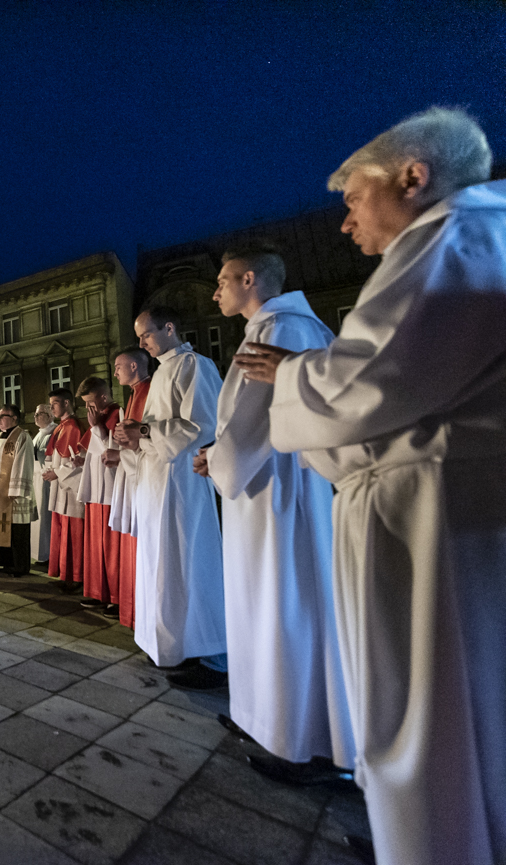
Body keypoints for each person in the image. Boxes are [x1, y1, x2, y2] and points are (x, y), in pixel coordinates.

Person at [232, 108, 505, 865]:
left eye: (354, 197)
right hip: (428, 503)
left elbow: (371, 380)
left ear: (413, 176)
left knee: (432, 711)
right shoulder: (465, 238)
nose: (346, 221)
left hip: (436, 515)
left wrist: (293, 377)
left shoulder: (455, 240)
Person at [195, 241, 354, 783]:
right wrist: (217, 453)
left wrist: (219, 457)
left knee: (286, 604)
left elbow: (259, 418)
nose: (215, 292)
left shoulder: (284, 328)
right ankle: (263, 716)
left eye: (222, 281)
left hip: (282, 489)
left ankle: (306, 741)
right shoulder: (267, 329)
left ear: (251, 280)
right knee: (260, 605)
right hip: (258, 487)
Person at [116, 306, 225, 672]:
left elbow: (203, 425)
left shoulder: (195, 365)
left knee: (186, 562)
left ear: (169, 328)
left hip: (182, 482)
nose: (142, 342)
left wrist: (145, 431)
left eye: (146, 334)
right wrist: (134, 439)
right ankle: (166, 643)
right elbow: (153, 431)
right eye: (139, 337)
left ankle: (203, 650)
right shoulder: (164, 371)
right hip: (156, 481)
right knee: (158, 564)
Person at [106, 348, 152, 629]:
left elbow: (145, 442)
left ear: (134, 366)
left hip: (144, 479)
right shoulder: (135, 393)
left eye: (118, 367)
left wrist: (121, 454)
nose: (115, 373)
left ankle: (139, 610)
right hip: (132, 475)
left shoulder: (148, 392)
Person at [76, 377, 122, 612]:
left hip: (110, 492)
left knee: (112, 549)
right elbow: (93, 452)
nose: (87, 408)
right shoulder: (101, 417)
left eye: (90, 403)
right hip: (95, 493)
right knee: (95, 547)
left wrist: (96, 428)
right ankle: (98, 591)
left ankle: (115, 596)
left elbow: (113, 452)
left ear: (103, 397)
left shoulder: (117, 415)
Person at [0, 404, 37, 575]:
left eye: (2, 416)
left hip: (12, 495)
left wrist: (15, 490)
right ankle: (5, 563)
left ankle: (19, 566)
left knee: (17, 533)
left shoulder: (22, 437)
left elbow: (24, 464)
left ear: (14, 418)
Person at [43, 388, 87, 589]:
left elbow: (79, 460)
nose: (51, 408)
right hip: (60, 488)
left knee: (74, 535)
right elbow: (53, 455)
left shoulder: (73, 427)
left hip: (70, 490)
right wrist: (48, 471)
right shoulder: (60, 428)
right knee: (62, 533)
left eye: (54, 403)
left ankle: (76, 577)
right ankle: (64, 574)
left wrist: (57, 473)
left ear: (66, 403)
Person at [29, 405, 56, 569]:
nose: (36, 416)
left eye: (40, 413)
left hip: (47, 482)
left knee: (47, 518)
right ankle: (39, 553)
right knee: (39, 518)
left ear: (51, 416)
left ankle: (48, 554)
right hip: (36, 482)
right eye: (36, 413)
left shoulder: (54, 432)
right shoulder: (38, 435)